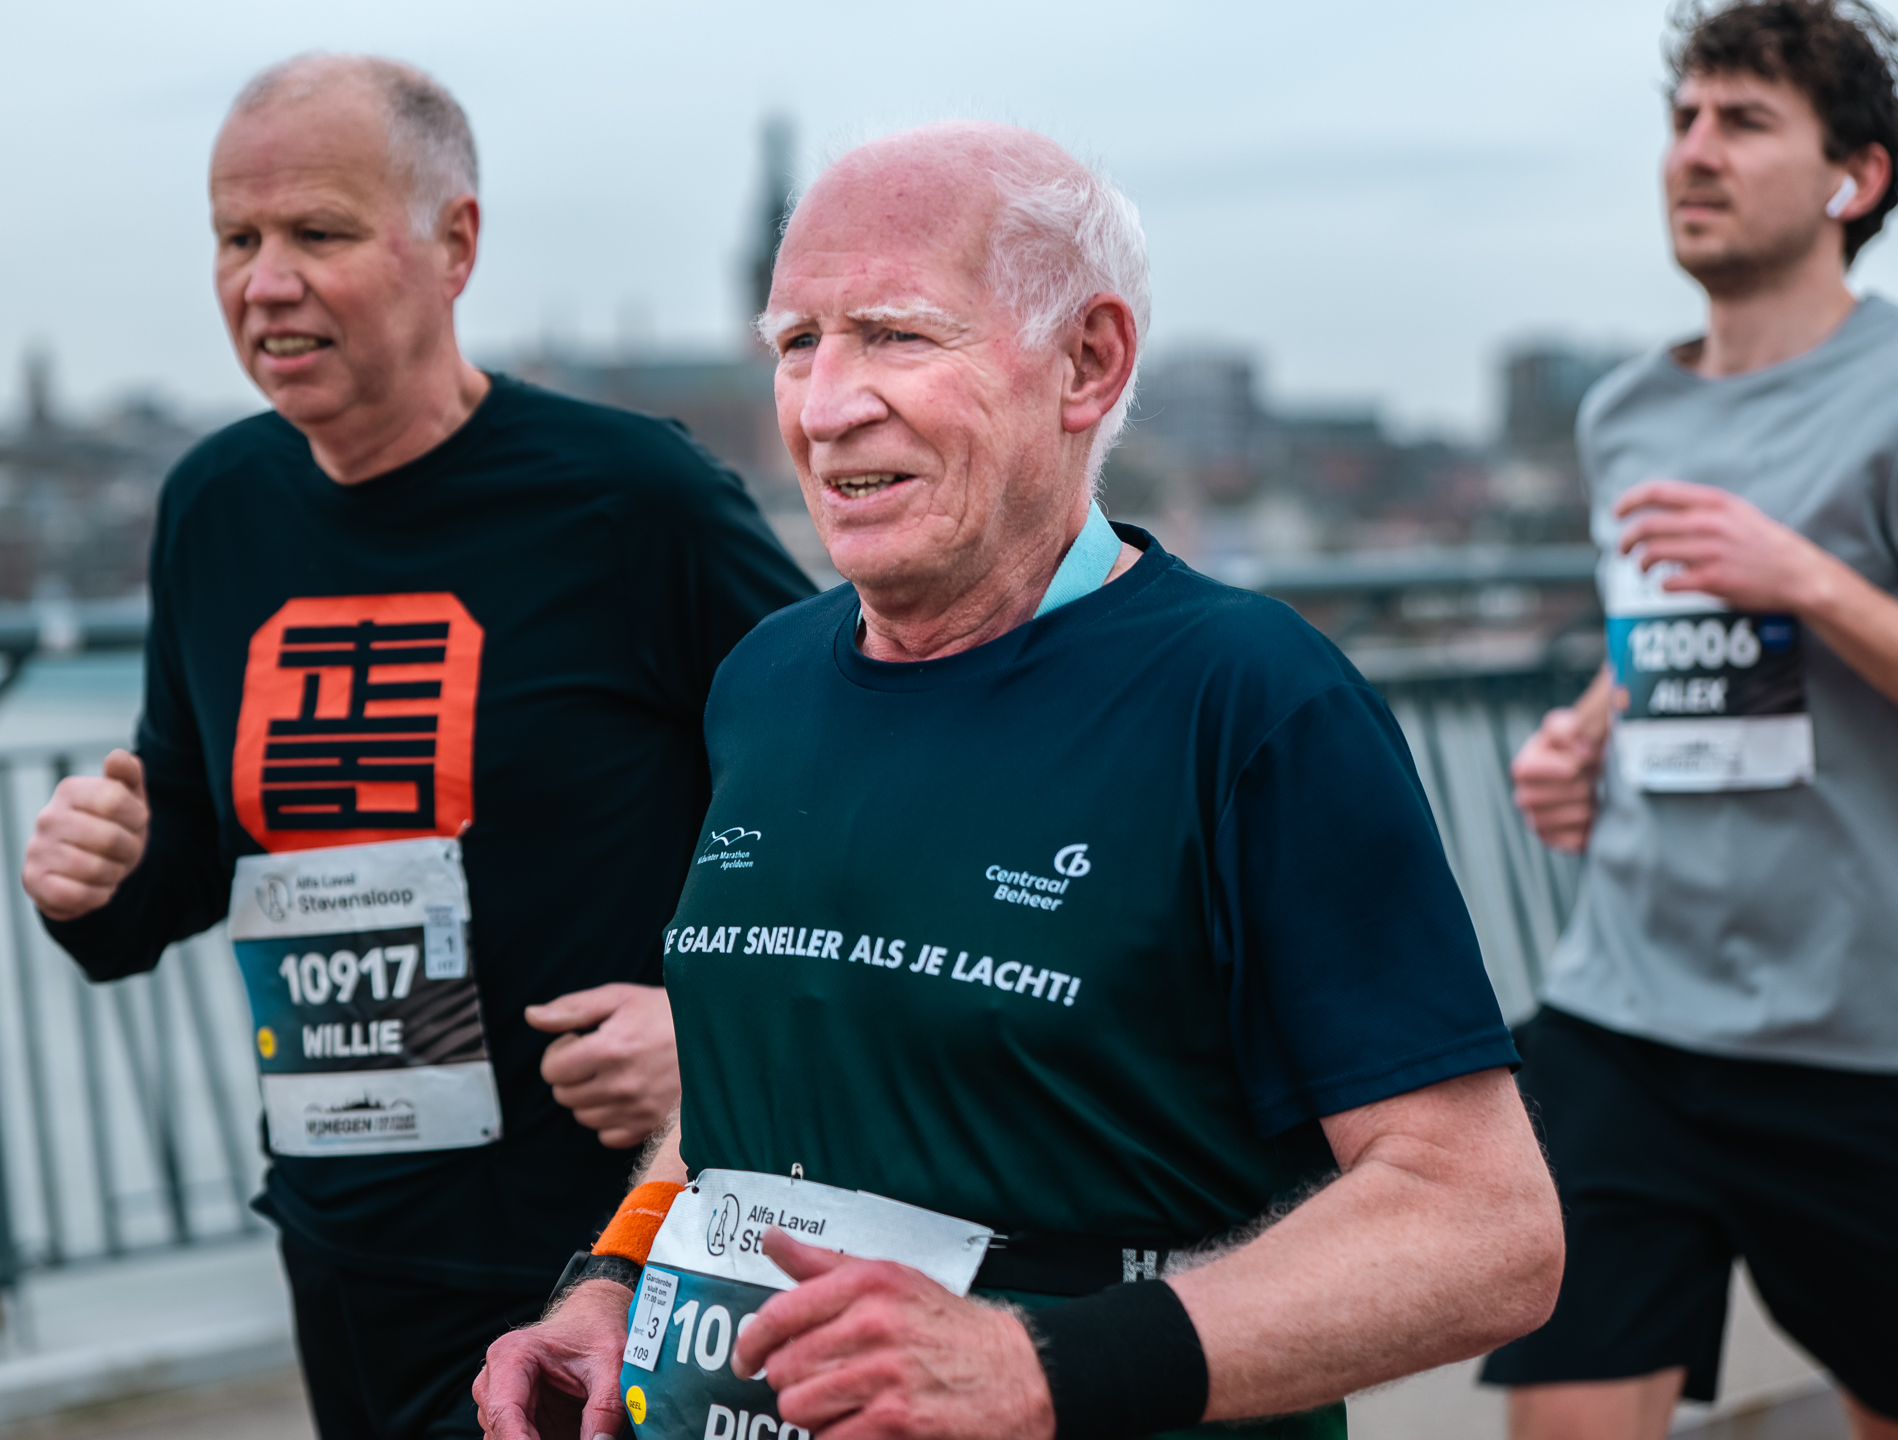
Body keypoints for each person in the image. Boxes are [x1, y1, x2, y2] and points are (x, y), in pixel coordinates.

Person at [474, 121, 1563, 1440]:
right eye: (798, 343)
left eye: (896, 335)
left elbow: (1485, 1229)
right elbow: (751, 1075)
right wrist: (612, 1285)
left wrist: (1032, 1368)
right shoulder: (763, 680)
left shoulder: (1252, 701)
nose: (824, 407)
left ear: (1088, 364)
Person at [18, 54, 812, 1440]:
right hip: (344, 1239)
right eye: (235, 238)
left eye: (318, 233)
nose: (266, 282)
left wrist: (711, 1034)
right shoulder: (215, 505)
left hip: (609, 1252)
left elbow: (849, 797)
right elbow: (193, 848)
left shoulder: (635, 503)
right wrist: (96, 876)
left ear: (455, 245)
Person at [1483, 5, 1898, 1438]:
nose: (1695, 153)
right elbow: (1666, 631)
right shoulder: (1623, 415)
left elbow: (1777, 594)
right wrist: (1584, 735)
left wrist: (1808, 577)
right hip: (1628, 1014)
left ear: (1857, 178)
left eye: (1746, 122)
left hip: (1861, 1044)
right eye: (1684, 120)